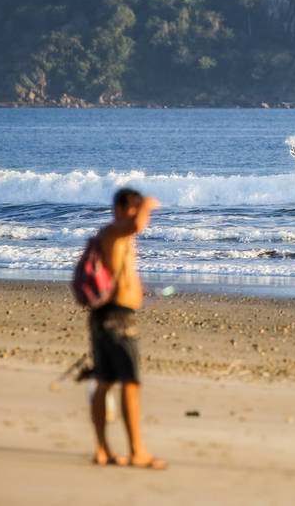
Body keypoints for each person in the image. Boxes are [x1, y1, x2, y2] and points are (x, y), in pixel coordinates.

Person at [89, 187, 166, 468]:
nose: (137, 213)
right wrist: (146, 205)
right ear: (120, 209)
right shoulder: (115, 231)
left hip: (108, 315)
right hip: (117, 319)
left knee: (106, 382)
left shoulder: (113, 235)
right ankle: (137, 452)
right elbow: (137, 224)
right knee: (129, 383)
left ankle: (103, 450)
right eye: (132, 207)